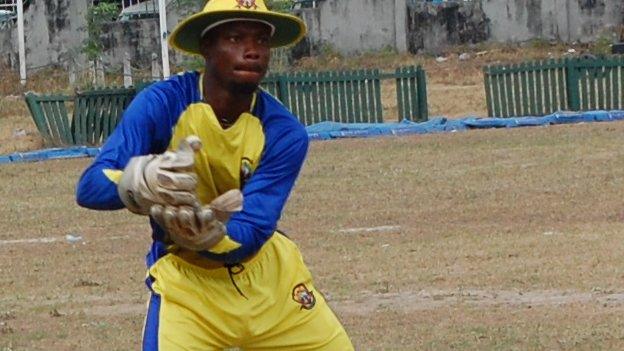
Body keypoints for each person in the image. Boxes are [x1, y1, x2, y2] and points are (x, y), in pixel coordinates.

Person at [75, 0, 354, 350]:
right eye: (235, 38)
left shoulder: (284, 132)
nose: (252, 51)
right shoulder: (162, 104)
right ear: (206, 46)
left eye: (261, 41)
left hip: (272, 285)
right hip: (189, 287)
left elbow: (253, 228)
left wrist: (208, 234)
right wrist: (137, 182)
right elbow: (90, 186)